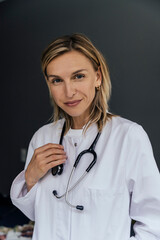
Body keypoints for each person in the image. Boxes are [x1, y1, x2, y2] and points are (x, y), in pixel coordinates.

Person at [10, 33, 160, 240]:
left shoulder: (128, 137)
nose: (69, 91)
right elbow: (36, 214)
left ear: (97, 77)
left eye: (78, 76)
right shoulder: (43, 137)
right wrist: (30, 178)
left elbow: (154, 223)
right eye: (57, 81)